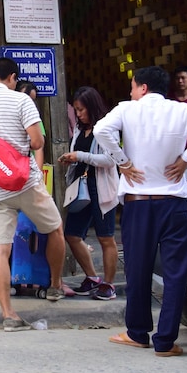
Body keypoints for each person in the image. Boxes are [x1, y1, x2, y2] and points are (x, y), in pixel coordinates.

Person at [93, 66, 187, 357]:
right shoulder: (181, 110)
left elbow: (101, 130)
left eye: (132, 86)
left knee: (138, 269)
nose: (130, 92)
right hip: (174, 203)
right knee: (176, 273)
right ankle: (165, 341)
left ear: (142, 87)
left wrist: (122, 162)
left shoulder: (127, 109)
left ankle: (137, 333)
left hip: (139, 203)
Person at [0, 57, 66, 332]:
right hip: (26, 183)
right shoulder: (22, 101)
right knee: (55, 229)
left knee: (0, 249)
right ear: (12, 78)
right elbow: (37, 142)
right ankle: (55, 285)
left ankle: (8, 314)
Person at [57, 86, 118, 300]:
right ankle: (92, 277)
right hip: (81, 186)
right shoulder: (80, 129)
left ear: (92, 107)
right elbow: (80, 155)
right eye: (76, 110)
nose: (79, 114)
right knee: (72, 234)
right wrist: (71, 159)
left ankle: (108, 284)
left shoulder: (106, 128)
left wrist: (80, 156)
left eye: (81, 109)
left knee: (105, 237)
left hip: (101, 186)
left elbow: (111, 160)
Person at [16, 79, 45, 172]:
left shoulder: (35, 120)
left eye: (32, 100)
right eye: (26, 99)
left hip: (28, 168)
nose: (29, 103)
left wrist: (38, 173)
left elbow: (39, 148)